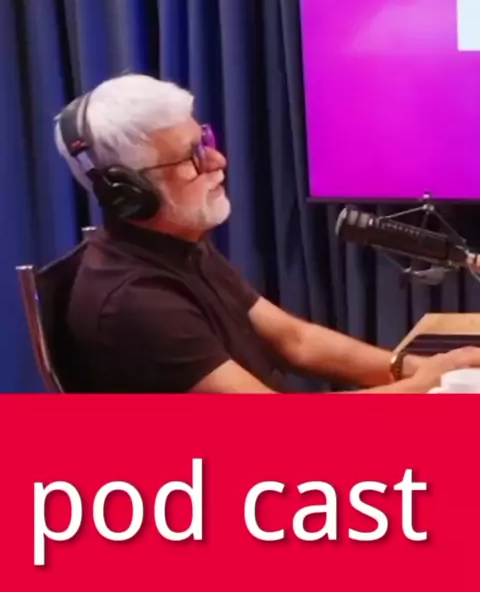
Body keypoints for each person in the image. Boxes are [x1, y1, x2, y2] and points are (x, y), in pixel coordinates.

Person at [54, 73, 480, 394]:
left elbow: (296, 341)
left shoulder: (178, 246)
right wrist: (425, 386)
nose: (217, 160)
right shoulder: (133, 302)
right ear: (129, 195)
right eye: (191, 158)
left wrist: (417, 368)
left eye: (204, 141)